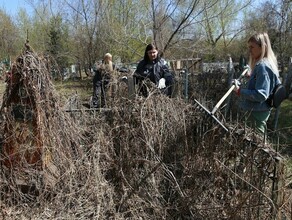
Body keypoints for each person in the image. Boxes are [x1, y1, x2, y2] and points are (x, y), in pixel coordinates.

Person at [233, 32, 281, 134]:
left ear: (262, 47)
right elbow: (265, 84)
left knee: (256, 143)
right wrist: (252, 77)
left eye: (252, 47)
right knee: (254, 142)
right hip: (258, 110)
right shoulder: (267, 63)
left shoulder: (263, 66)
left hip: (257, 112)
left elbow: (261, 94)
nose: (249, 51)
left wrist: (239, 91)